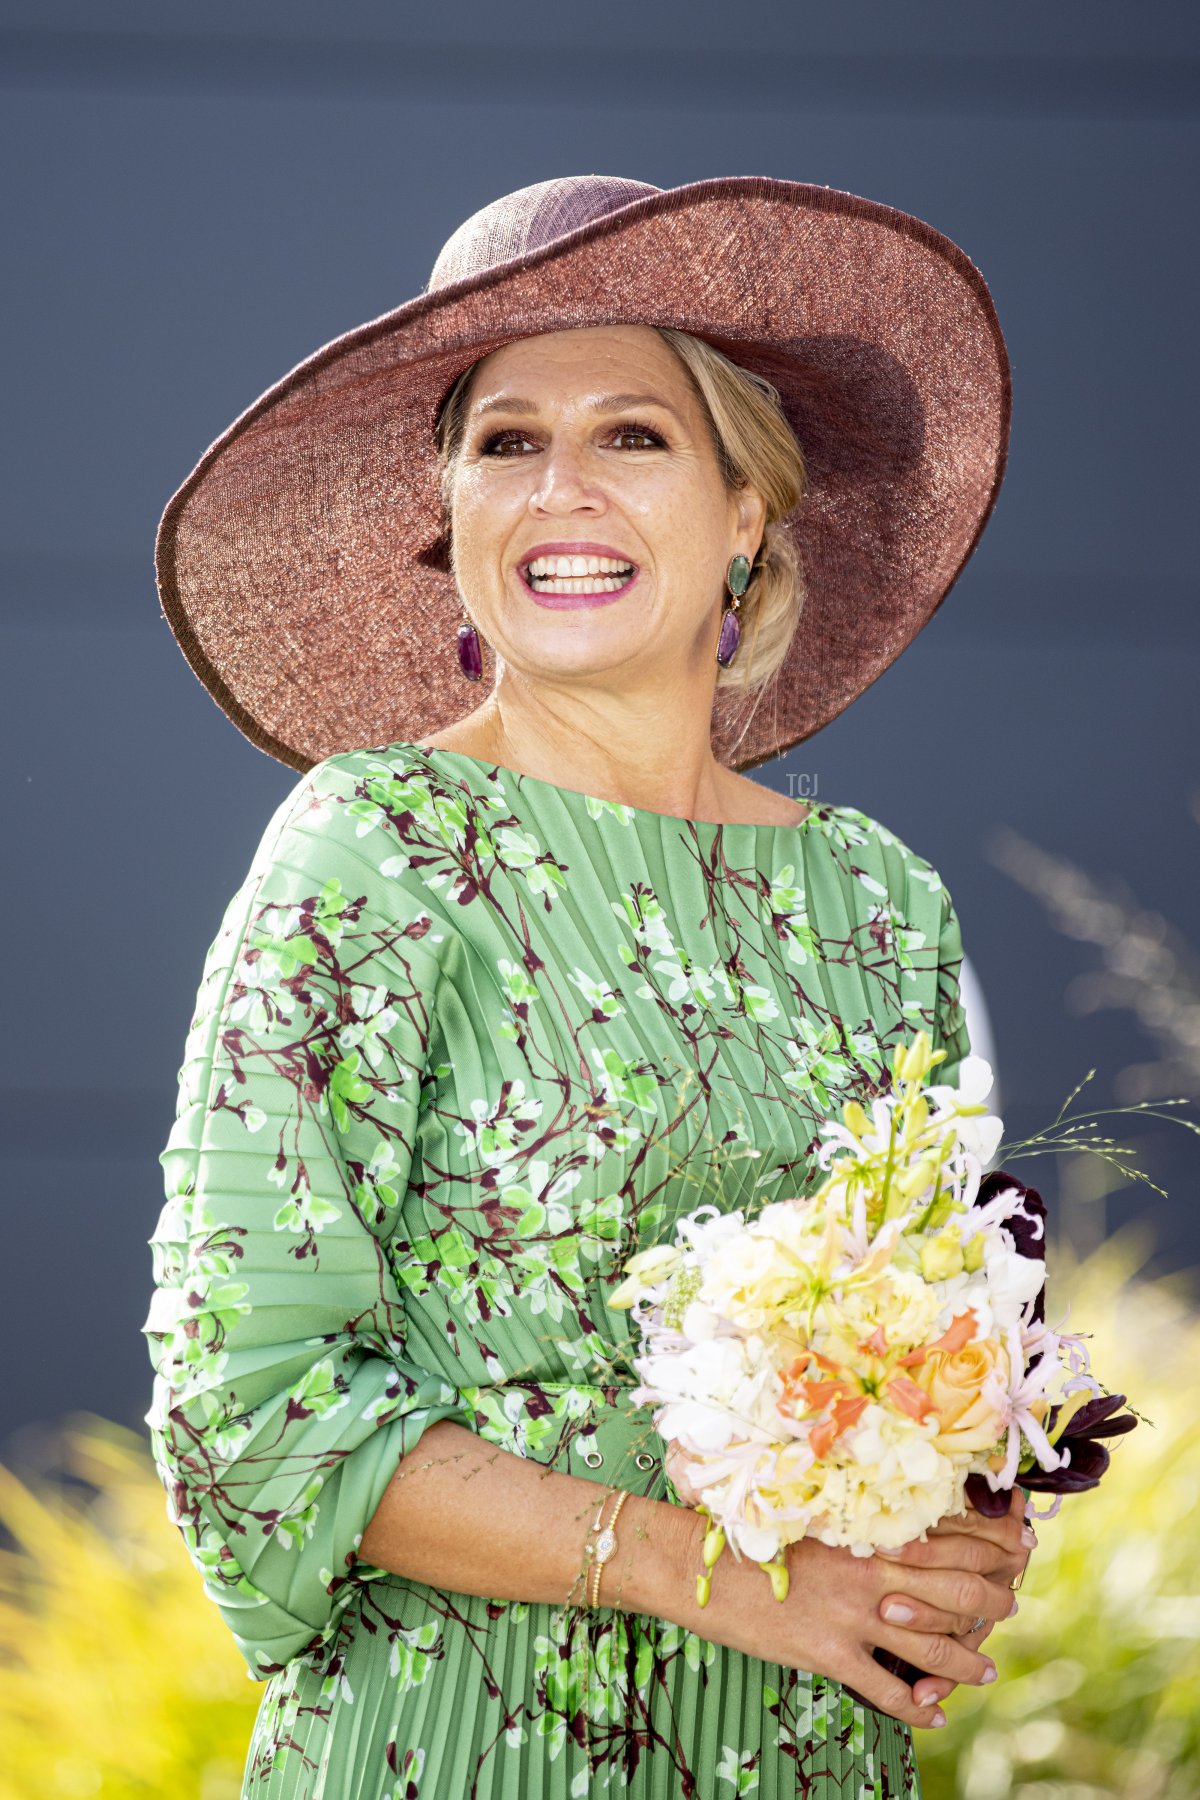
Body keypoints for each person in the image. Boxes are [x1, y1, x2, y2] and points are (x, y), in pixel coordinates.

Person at [142, 174, 1033, 1799]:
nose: (561, 488)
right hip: (454, 1743)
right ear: (454, 513)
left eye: (633, 434)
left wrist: (960, 1515)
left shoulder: (878, 901)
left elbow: (934, 1338)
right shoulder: (377, 851)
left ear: (746, 509)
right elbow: (248, 1410)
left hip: (803, 1757)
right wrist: (714, 1574)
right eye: (506, 442)